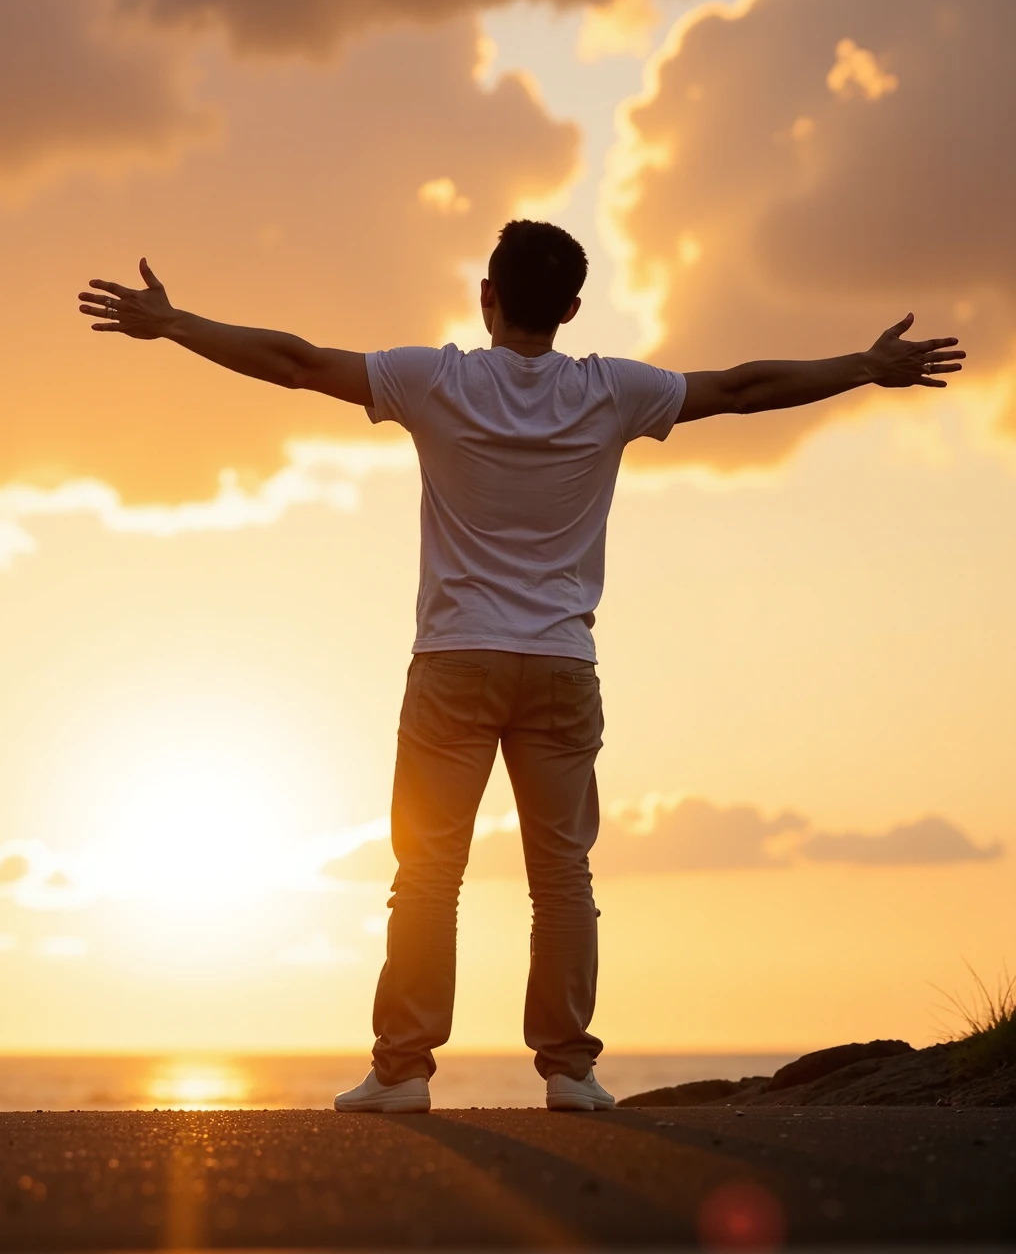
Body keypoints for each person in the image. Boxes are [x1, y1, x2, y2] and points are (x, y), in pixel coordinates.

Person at [76, 221, 965, 1113]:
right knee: (563, 876)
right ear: (572, 309)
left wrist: (177, 323)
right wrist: (862, 367)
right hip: (561, 667)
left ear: (486, 295)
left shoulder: (437, 380)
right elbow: (739, 388)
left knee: (427, 874)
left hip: (456, 662)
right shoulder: (613, 391)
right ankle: (570, 1073)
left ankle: (404, 1072)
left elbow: (298, 361)